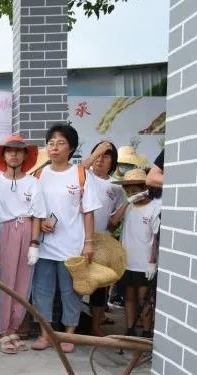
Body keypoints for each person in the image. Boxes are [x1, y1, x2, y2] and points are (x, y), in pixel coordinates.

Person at [28, 123, 101, 353]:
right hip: (44, 246)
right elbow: (33, 209)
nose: (54, 148)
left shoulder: (80, 174)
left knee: (70, 292)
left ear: (71, 148)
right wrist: (41, 222)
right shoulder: (39, 175)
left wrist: (88, 243)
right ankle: (45, 334)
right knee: (42, 292)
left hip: (72, 246)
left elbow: (88, 212)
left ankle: (69, 335)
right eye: (51, 143)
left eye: (60, 143)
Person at [0, 135, 39, 354]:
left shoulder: (33, 183)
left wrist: (34, 243)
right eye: (9, 150)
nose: (14, 154)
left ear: (25, 155)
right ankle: (2, 331)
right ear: (3, 155)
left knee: (23, 282)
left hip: (26, 229)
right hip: (3, 230)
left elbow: (37, 215)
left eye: (19, 150)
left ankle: (14, 328)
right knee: (4, 282)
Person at [109, 169, 160, 338]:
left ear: (145, 189)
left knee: (144, 298)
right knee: (129, 297)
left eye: (135, 190)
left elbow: (155, 237)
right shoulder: (128, 206)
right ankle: (130, 329)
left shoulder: (154, 208)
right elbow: (113, 221)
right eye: (128, 191)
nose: (132, 194)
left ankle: (146, 331)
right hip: (127, 261)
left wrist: (152, 261)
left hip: (144, 263)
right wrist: (127, 202)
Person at [82, 141, 125, 336]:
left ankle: (96, 325)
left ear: (112, 162)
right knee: (76, 283)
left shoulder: (116, 187)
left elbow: (113, 223)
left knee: (100, 287)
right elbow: (78, 169)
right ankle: (71, 323)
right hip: (79, 240)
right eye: (97, 155)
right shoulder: (84, 175)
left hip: (102, 243)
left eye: (106, 156)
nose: (100, 159)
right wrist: (97, 152)